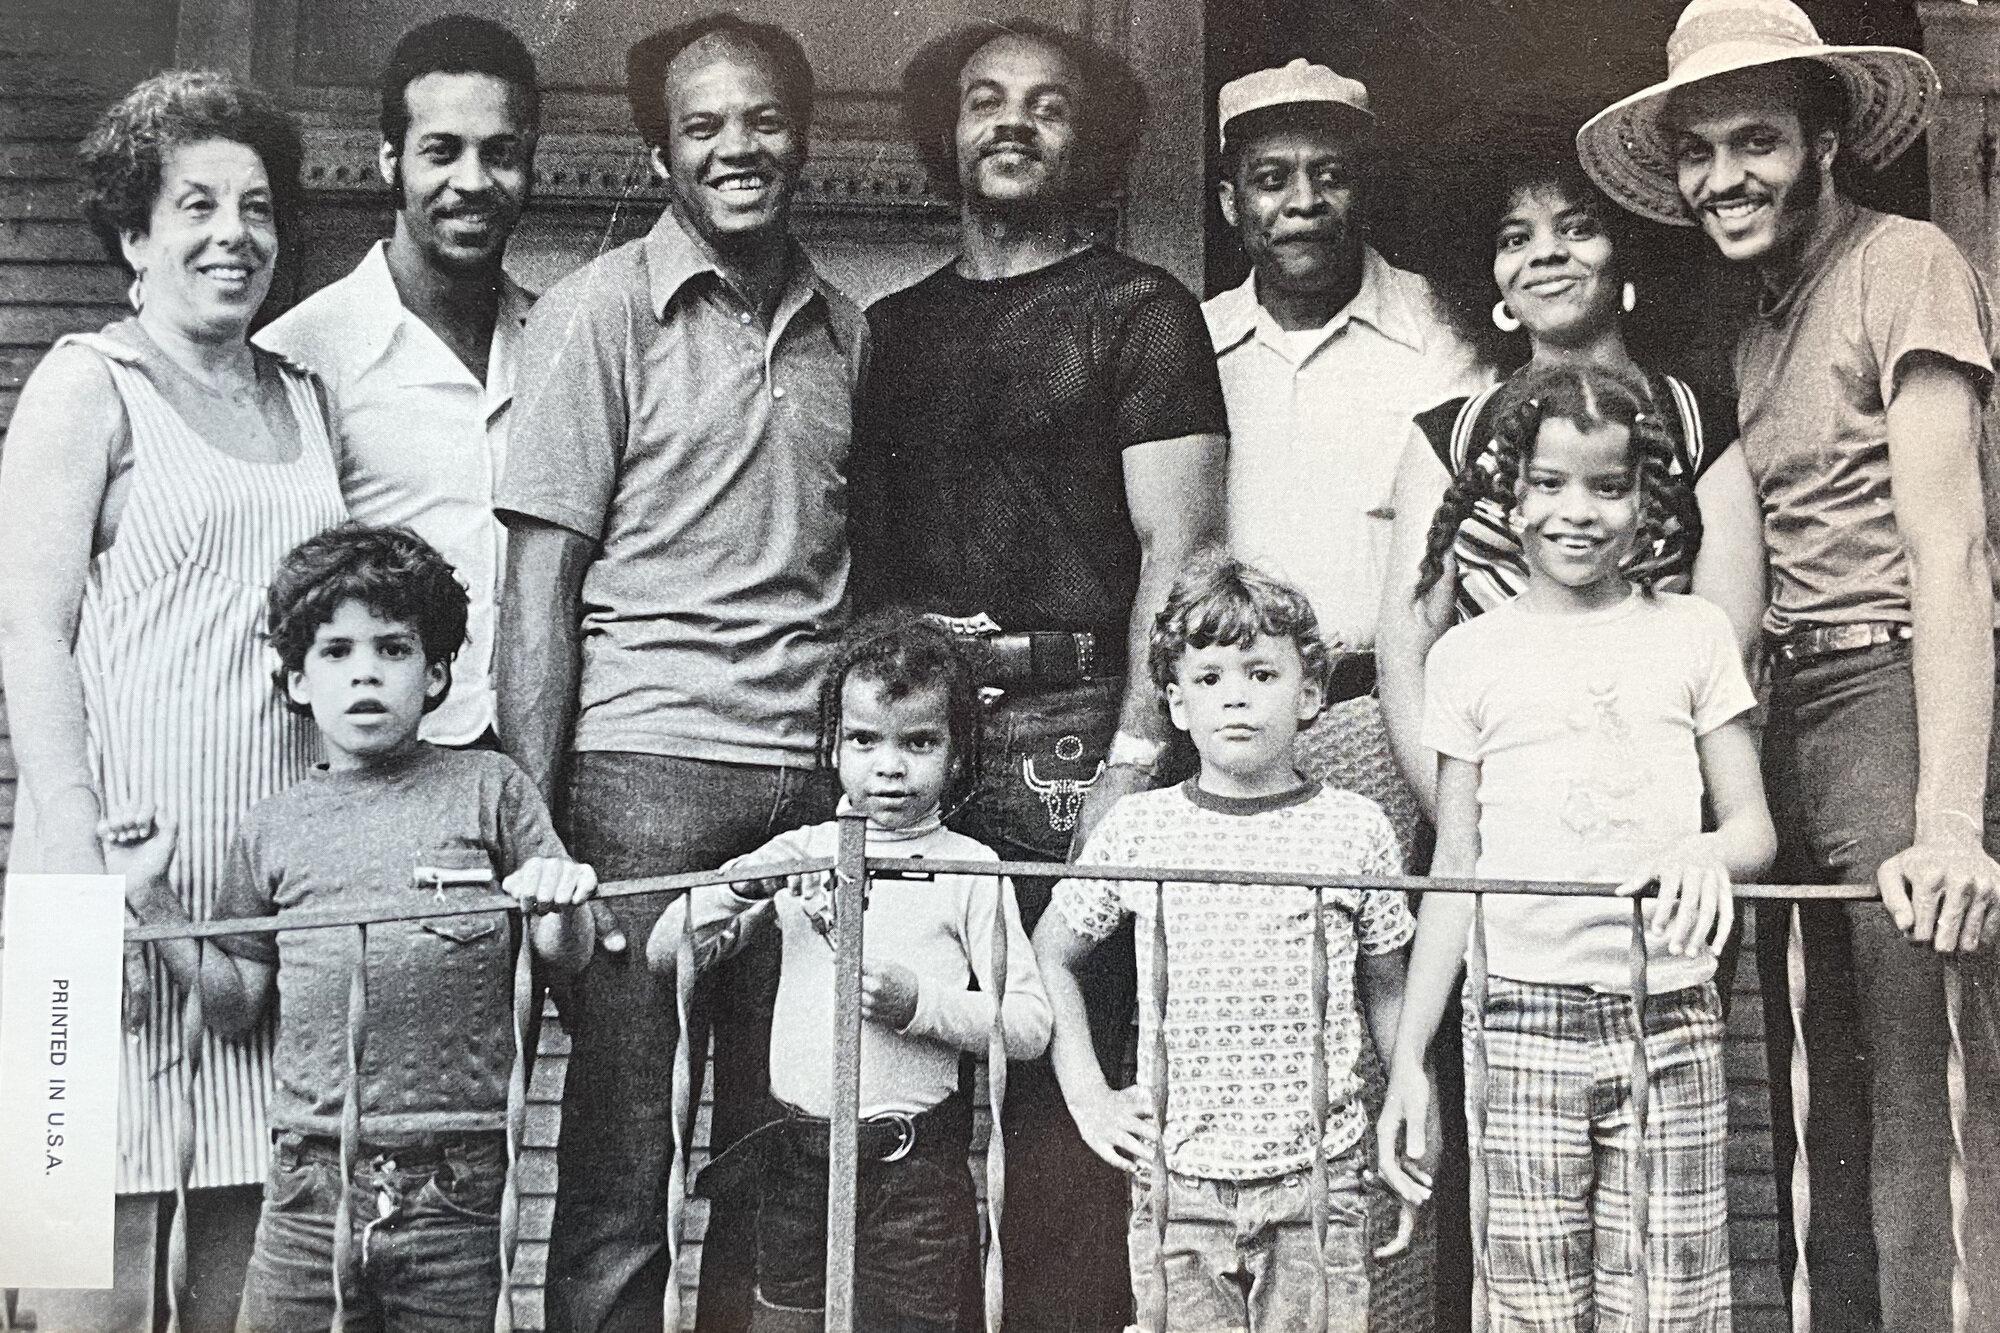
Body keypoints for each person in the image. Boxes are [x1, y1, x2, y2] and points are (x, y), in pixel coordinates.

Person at [1578, 2, 2000, 1325]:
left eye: (1754, 141)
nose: (1722, 179)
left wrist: (1947, 822)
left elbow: (1953, 553)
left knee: (1922, 1092)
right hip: (1789, 707)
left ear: (1827, 141)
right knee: (1821, 1088)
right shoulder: (1760, 327)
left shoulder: (1908, 261)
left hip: (1894, 693)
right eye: (1697, 153)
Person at [848, 23, 1227, 1328]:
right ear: (945, 134)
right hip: (921, 754)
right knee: (917, 1070)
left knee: (1074, 1084)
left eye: (1048, 105)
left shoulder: (1143, 311)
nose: (1013, 123)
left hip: (1078, 739)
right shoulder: (893, 332)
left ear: (1092, 139)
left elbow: (1180, 557)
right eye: (986, 102)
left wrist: (1134, 760)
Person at [494, 15, 864, 1333]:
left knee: (776, 1154)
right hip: (638, 787)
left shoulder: (844, 333)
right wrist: (533, 830)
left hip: (810, 796)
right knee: (619, 1158)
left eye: (761, 119)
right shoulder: (598, 315)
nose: (737, 146)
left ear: (802, 136)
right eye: (703, 126)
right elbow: (536, 582)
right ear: (661, 154)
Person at [0, 70, 344, 1332]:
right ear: (134, 233)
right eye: (193, 203)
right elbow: (28, 637)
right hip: (99, 890)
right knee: (75, 1276)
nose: (232, 234)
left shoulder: (303, 399)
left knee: (250, 1277)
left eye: (256, 207)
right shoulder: (86, 386)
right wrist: (86, 863)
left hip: (257, 907)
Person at [109, 524, 598, 1333]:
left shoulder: (491, 788)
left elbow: (565, 956)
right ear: (297, 680)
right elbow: (235, 1006)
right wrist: (154, 897)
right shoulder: (272, 825)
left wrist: (559, 901)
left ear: (437, 672)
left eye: (393, 647)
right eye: (336, 651)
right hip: (308, 1186)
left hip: (457, 1189)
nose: (365, 670)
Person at [1377, 364, 1775, 1332]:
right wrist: (1408, 1061)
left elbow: (1752, 830)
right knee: (1528, 1308)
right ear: (1506, 498)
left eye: (1607, 486)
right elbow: (1456, 865)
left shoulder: (1691, 634)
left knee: (1667, 1308)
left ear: (1647, 500)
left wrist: (1702, 855)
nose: (1577, 512)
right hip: (1515, 1022)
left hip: (1667, 1018)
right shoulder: (1468, 656)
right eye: (1548, 484)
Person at [1034, 554, 1414, 1333]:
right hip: (1181, 1184)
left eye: (1261, 673)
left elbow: (1388, 984)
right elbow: (1052, 951)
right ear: (1174, 702)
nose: (1235, 696)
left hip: (1321, 1179)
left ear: (1309, 692)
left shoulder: (1355, 828)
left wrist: (1412, 1098)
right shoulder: (1141, 828)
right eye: (1208, 678)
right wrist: (1088, 1094)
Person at [646, 614, 1051, 1333]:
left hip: (915, 1169)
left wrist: (919, 1004)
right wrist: (741, 887)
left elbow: (1027, 1024)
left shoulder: (970, 868)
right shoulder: (799, 852)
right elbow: (665, 951)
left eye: (919, 741)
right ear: (833, 745)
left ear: (958, 753)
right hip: (801, 1159)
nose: (889, 765)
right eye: (865, 740)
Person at [1376, 158, 1764, 817]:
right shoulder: (1450, 439)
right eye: (1514, 238)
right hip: (1490, 812)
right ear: (1493, 278)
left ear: (1628, 252)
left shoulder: (1700, 424)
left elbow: (1730, 646)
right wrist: (1471, 834)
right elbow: (1405, 659)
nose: (1546, 254)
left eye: (1577, 228)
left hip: (1661, 806)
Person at [1205, 59, 1489, 807]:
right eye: (1272, 179)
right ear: (1231, 202)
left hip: (1395, 722)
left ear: (1364, 189)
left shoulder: (1451, 332)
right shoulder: (1190, 347)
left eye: (1329, 174)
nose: (1304, 202)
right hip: (1222, 731)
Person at [258, 14, 540, 749]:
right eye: (441, 152)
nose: (472, 182)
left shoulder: (560, 340)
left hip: (534, 762)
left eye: (500, 152)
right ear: (389, 160)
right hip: (376, 764)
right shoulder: (302, 353)